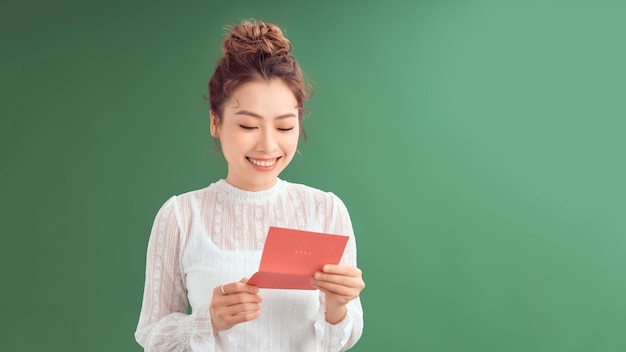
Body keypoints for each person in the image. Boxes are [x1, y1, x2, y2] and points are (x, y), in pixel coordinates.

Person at [134, 19, 365, 351]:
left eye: (285, 127)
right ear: (216, 122)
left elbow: (339, 341)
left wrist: (337, 306)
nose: (268, 146)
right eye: (248, 125)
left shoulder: (326, 210)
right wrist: (207, 321)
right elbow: (152, 336)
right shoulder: (181, 216)